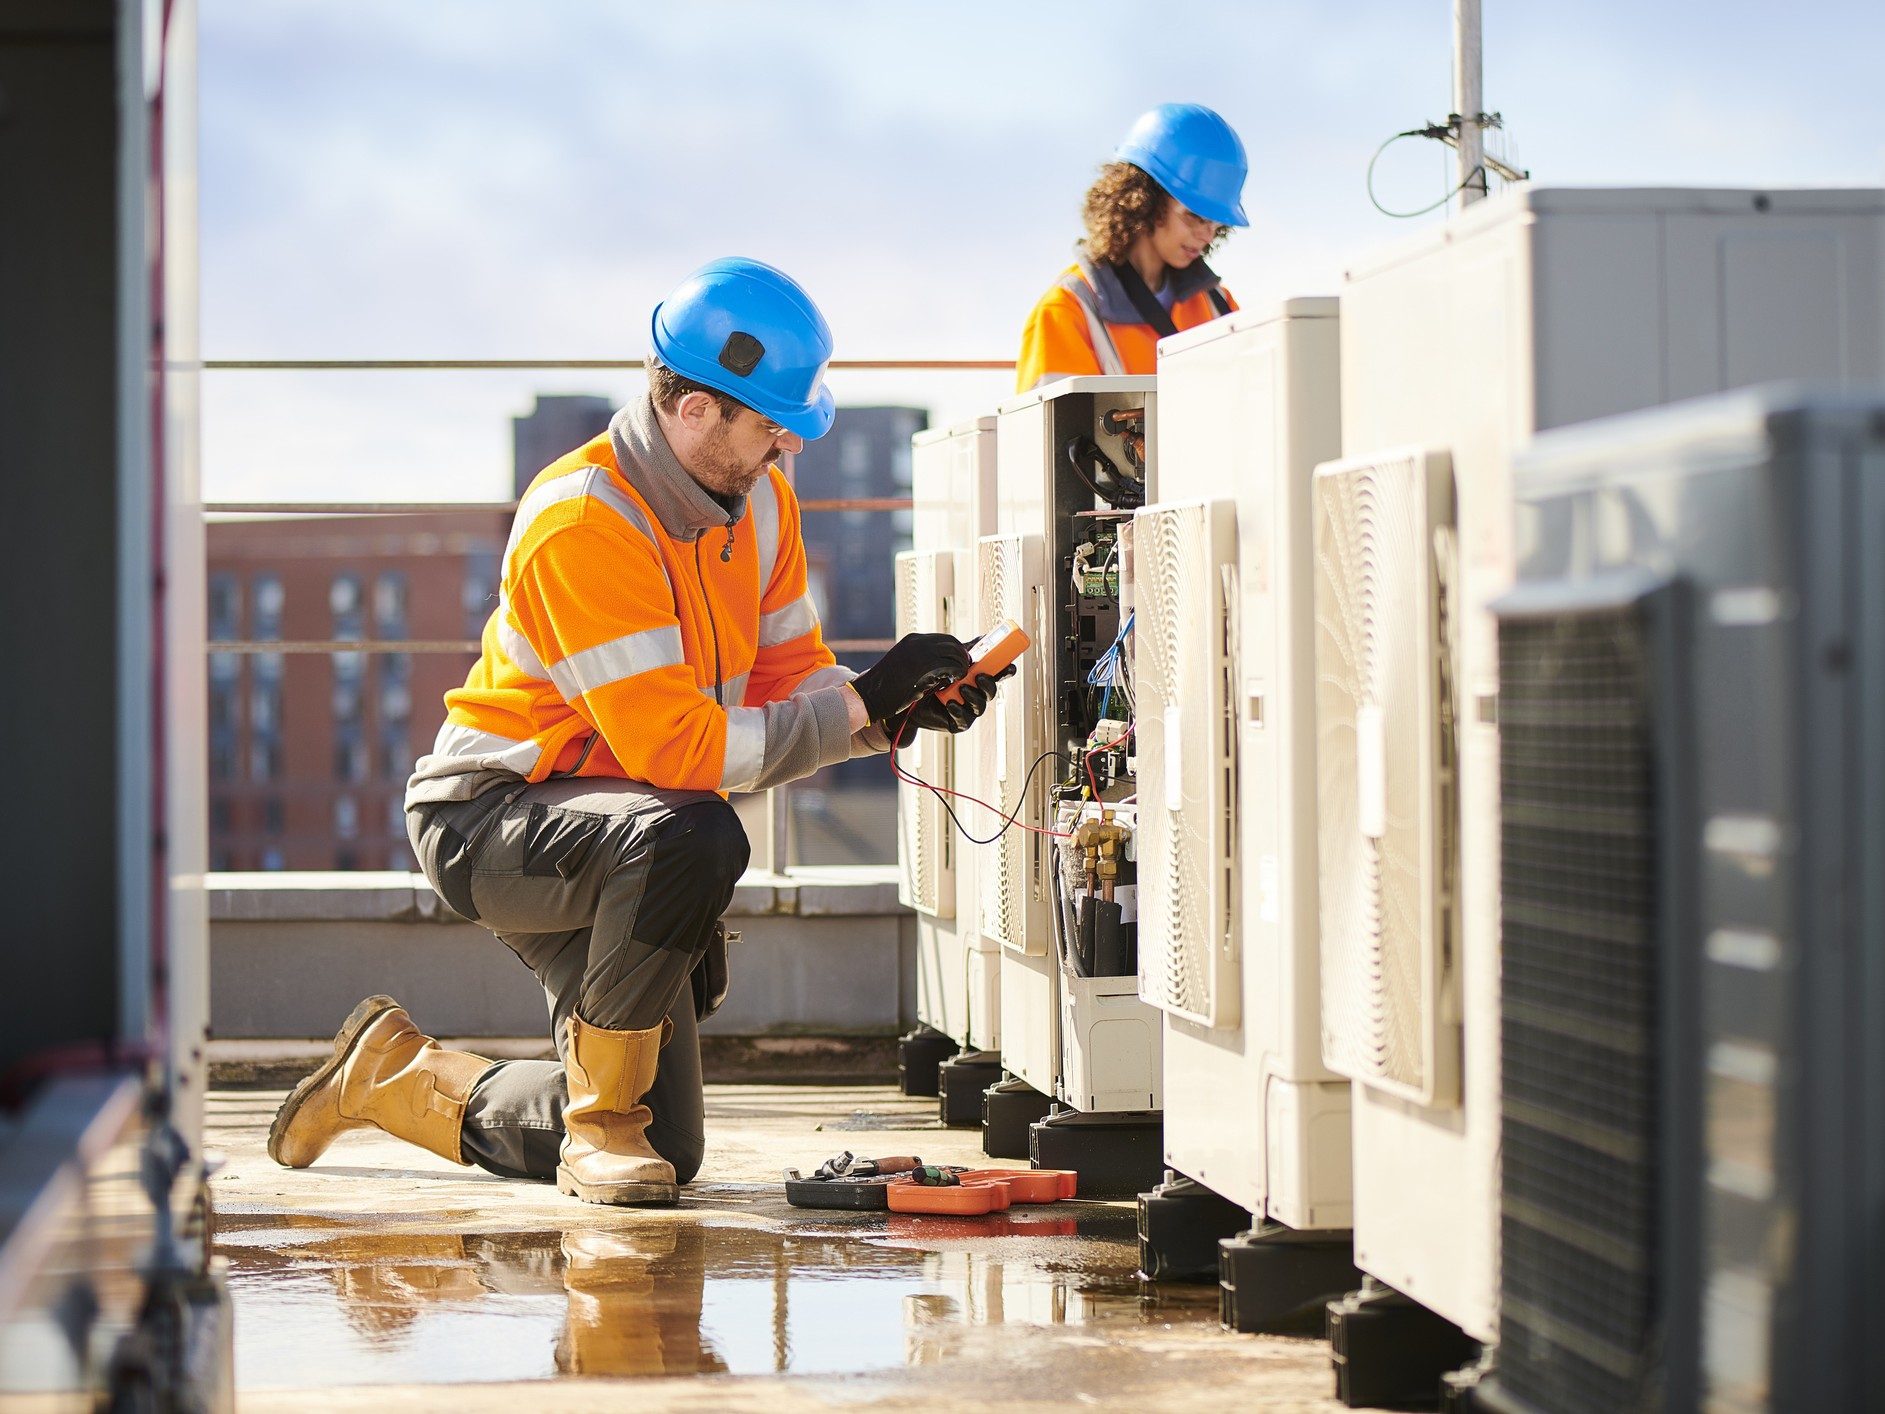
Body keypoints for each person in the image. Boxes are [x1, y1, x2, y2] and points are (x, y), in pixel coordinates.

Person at [266, 258, 1007, 1206]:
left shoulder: (762, 503)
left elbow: (788, 678)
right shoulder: (583, 521)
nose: (785, 446)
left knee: (672, 1146)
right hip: (495, 820)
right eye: (769, 425)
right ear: (694, 410)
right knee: (696, 835)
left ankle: (392, 1077)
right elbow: (677, 752)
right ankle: (598, 1130)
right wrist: (860, 706)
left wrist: (887, 712)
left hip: (630, 827)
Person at [1015, 102, 1250, 391]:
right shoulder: (1066, 311)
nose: (1207, 236)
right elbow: (1058, 421)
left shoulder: (1218, 304)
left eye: (1216, 223)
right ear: (1143, 199)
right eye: (1194, 216)